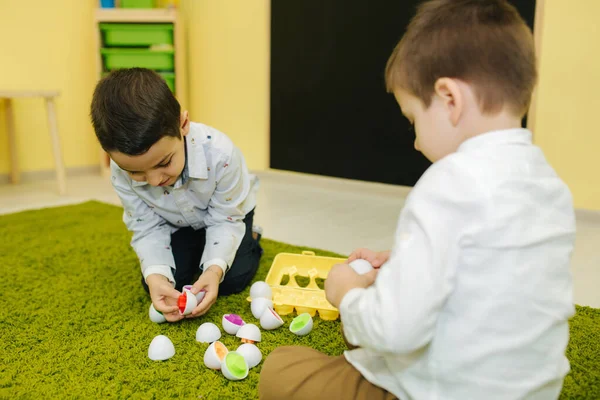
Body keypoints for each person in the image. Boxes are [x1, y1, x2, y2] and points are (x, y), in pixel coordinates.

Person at [259, 1, 575, 399]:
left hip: (444, 390)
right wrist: (400, 263)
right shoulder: (549, 185)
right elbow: (493, 270)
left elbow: (397, 330)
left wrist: (346, 293)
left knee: (281, 369)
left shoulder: (448, 183)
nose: (415, 141)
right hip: (535, 389)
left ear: (449, 99)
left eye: (413, 120)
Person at [90, 68, 262, 322]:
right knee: (160, 281)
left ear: (183, 125)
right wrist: (156, 276)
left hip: (228, 216)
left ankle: (253, 236)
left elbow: (225, 219)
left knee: (231, 279)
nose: (154, 180)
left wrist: (213, 270)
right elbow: (147, 228)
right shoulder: (120, 172)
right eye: (136, 172)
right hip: (175, 222)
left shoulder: (222, 155)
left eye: (163, 163)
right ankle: (197, 249)